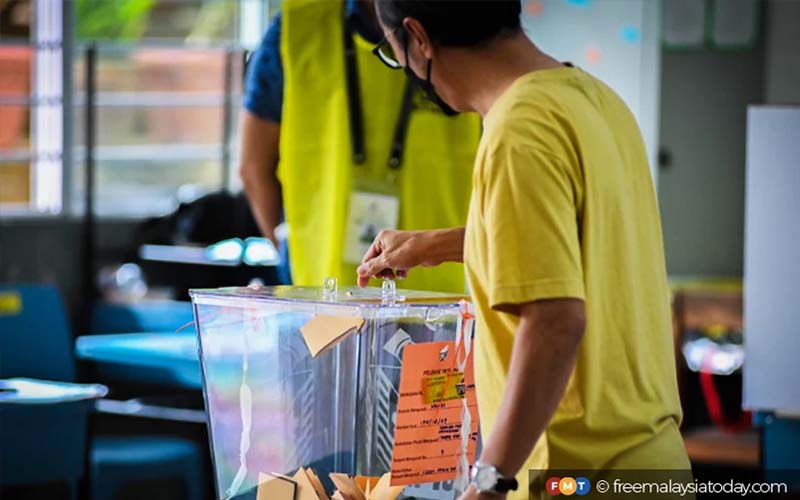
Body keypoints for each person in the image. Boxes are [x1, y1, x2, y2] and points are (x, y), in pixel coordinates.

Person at [358, 1, 690, 498]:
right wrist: (436, 245)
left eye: (393, 51)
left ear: (418, 38)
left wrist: (488, 481)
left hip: (575, 474)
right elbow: (577, 245)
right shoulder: (595, 100)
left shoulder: (518, 128)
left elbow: (555, 321)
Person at [239, 0, 481, 292]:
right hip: (321, 288)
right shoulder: (295, 28)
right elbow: (253, 169)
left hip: (438, 287)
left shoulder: (464, 23)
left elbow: (252, 167)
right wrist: (288, 250)